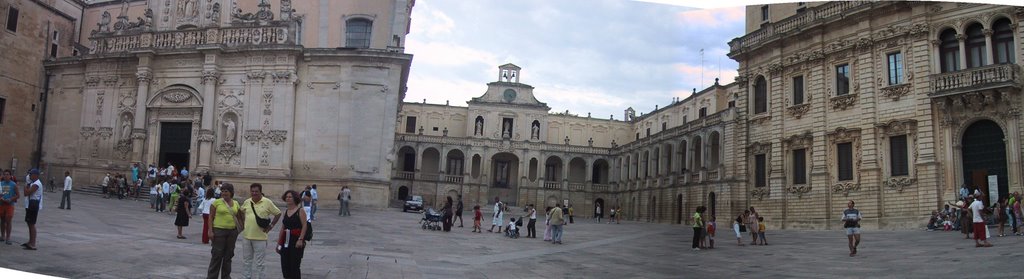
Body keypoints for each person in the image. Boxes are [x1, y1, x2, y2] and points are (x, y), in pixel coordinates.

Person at [240, 183, 282, 279]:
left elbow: (278, 213)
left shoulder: (267, 202)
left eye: (256, 191)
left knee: (260, 263)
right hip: (247, 237)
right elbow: (241, 212)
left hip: (260, 238)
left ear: (260, 192)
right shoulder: (247, 201)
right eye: (252, 191)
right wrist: (243, 224)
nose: (254, 193)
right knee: (246, 261)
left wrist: (271, 226)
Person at [208, 183, 242, 279]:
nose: (224, 193)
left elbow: (240, 217)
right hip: (219, 231)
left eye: (226, 191)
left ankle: (226, 277)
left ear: (231, 192)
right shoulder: (216, 202)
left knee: (228, 256)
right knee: (216, 256)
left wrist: (239, 229)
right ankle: (211, 277)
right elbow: (210, 217)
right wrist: (210, 231)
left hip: (232, 232)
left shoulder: (236, 203)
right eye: (222, 191)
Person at [277, 190, 308, 279]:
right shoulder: (285, 212)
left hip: (296, 240)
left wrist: (301, 239)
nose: (288, 198)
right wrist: (279, 243)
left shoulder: (300, 211)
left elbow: (304, 225)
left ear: (295, 198)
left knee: (294, 266)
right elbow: (283, 228)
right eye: (286, 197)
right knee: (285, 265)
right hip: (285, 240)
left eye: (290, 197)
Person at [22, 168, 43, 250]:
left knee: (31, 224)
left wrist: (25, 185)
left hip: (33, 206)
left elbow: (26, 193)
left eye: (31, 174)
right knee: (29, 223)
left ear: (35, 175)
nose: (29, 175)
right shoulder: (33, 183)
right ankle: (30, 241)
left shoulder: (36, 184)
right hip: (30, 205)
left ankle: (33, 243)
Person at [1, 170, 20, 245]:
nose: (6, 176)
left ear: (10, 176)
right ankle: (2, 236)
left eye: (7, 174)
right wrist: (1, 198)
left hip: (10, 205)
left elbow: (18, 195)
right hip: (2, 204)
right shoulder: (0, 184)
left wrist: (11, 199)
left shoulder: (13, 185)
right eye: (4, 174)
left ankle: (8, 237)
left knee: (8, 221)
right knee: (2, 220)